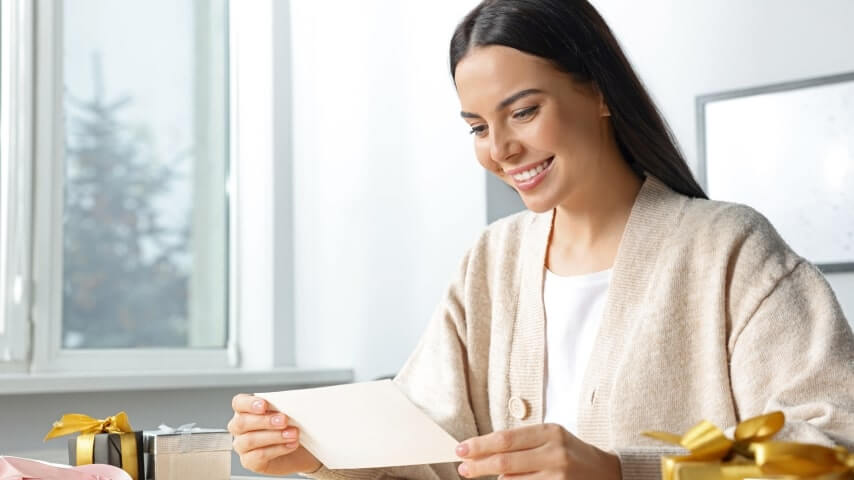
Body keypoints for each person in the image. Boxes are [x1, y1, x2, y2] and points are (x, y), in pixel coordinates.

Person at [227, 1, 854, 478]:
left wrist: (619, 471)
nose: (500, 150)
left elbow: (832, 447)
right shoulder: (491, 261)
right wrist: (313, 455)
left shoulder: (729, 248)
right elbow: (433, 457)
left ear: (599, 92)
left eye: (523, 112)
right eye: (477, 126)